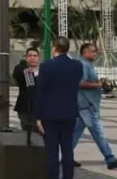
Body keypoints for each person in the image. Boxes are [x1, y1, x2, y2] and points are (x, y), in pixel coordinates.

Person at [72, 43, 117, 171]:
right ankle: (110, 159)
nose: (95, 54)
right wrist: (98, 84)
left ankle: (66, 157)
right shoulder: (83, 65)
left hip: (84, 105)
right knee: (98, 133)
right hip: (87, 105)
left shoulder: (86, 64)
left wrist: (99, 86)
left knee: (76, 133)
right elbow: (80, 83)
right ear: (85, 52)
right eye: (93, 52)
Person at [35, 36, 84, 179]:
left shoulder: (46, 66)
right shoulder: (77, 65)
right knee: (68, 150)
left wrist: (38, 116)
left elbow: (40, 92)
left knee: (52, 152)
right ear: (68, 49)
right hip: (69, 113)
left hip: (49, 115)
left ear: (54, 48)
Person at [12, 47, 40, 132]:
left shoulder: (43, 71)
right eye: (30, 56)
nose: (32, 58)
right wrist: (26, 65)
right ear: (26, 57)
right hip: (25, 108)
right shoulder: (21, 69)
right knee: (27, 132)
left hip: (40, 108)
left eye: (35, 56)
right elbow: (29, 83)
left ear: (38, 58)